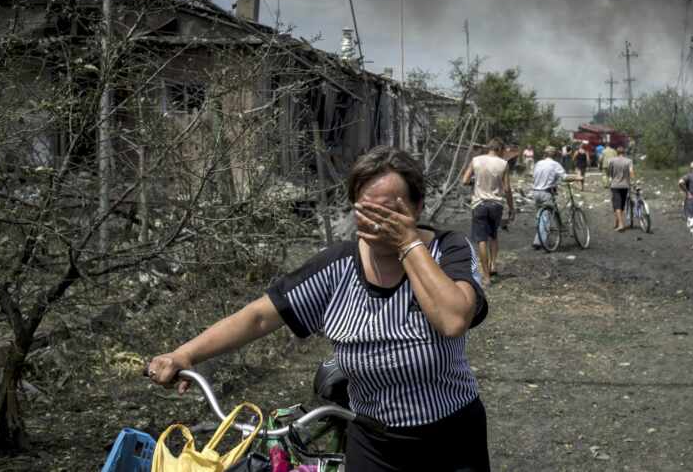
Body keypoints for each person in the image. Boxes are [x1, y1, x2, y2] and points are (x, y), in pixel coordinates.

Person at [147, 146, 491, 472]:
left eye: (389, 212)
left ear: (416, 209)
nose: (376, 223)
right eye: (365, 211)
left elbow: (452, 319)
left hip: (451, 436)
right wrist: (184, 354)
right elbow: (260, 316)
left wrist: (407, 243)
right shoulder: (338, 266)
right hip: (373, 440)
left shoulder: (448, 252)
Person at [461, 138, 515, 286]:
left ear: (489, 148)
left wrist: (475, 181)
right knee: (493, 235)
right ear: (499, 149)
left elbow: (465, 180)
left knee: (482, 240)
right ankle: (492, 265)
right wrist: (511, 207)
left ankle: (486, 277)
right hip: (496, 204)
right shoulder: (503, 164)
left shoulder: (476, 160)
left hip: (479, 204)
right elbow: (507, 189)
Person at [531, 146, 580, 248]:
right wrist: (577, 177)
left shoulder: (538, 163)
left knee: (540, 215)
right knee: (546, 218)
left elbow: (535, 176)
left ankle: (539, 237)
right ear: (555, 155)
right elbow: (565, 177)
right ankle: (539, 242)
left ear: (545, 154)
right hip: (546, 193)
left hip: (535, 192)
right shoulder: (555, 164)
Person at [606, 145, 633, 231]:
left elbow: (609, 173)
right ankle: (617, 222)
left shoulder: (612, 161)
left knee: (617, 205)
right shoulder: (629, 161)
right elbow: (631, 172)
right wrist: (633, 181)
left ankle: (621, 224)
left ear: (616, 153)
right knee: (621, 205)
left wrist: (610, 178)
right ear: (624, 153)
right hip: (625, 185)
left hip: (615, 185)